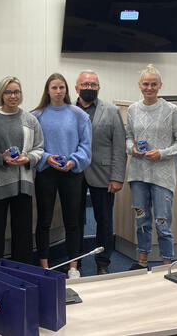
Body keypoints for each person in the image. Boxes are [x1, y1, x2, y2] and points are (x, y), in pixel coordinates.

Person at [126, 64, 177, 269]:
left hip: (163, 176)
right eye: (146, 84)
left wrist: (161, 153)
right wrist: (132, 149)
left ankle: (166, 263)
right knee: (141, 220)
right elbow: (128, 138)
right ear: (139, 85)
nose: (149, 88)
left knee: (163, 222)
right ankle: (142, 261)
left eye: (154, 84)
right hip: (138, 174)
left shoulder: (172, 110)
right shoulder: (133, 109)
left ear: (160, 86)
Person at [32, 73, 91, 278]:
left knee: (72, 221)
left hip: (71, 173)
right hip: (46, 173)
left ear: (67, 90)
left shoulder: (79, 115)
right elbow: (33, 147)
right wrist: (46, 158)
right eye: (54, 88)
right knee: (44, 221)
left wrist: (73, 161)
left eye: (62, 87)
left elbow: (86, 146)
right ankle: (44, 266)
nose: (58, 91)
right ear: (47, 91)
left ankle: (73, 267)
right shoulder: (36, 116)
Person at [0, 76, 44, 265]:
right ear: (1, 95)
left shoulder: (30, 119)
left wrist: (29, 158)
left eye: (16, 92)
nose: (13, 96)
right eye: (8, 92)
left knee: (23, 234)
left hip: (23, 184)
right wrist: (1, 158)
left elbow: (39, 148)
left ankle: (22, 271)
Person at [75, 70, 127, 275]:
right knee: (74, 220)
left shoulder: (111, 111)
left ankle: (103, 262)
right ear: (77, 87)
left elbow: (119, 146)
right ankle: (75, 263)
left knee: (104, 220)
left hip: (104, 174)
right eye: (85, 84)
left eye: (93, 85)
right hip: (73, 173)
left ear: (98, 88)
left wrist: (117, 176)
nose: (89, 88)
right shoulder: (67, 109)